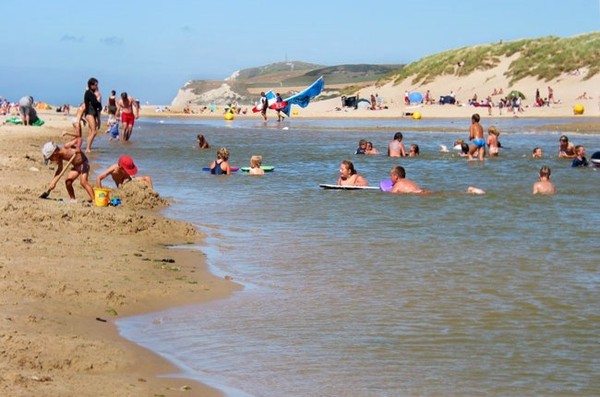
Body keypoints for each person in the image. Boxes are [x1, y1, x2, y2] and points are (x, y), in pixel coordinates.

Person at [83, 77, 102, 153]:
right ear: (91, 85)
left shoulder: (92, 93)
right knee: (94, 132)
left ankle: (88, 147)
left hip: (93, 113)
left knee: (91, 132)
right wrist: (99, 105)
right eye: (96, 85)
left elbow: (96, 104)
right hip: (89, 113)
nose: (97, 86)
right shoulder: (88, 93)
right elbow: (95, 103)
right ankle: (87, 148)